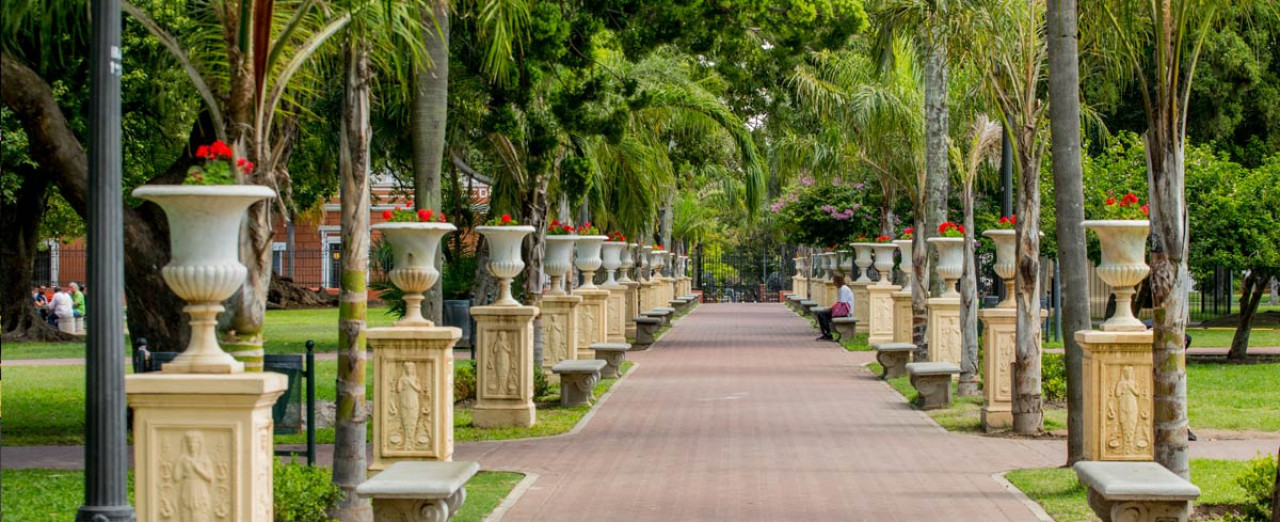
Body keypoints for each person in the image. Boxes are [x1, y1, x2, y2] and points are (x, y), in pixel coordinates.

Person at [816, 274, 853, 341]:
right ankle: (826, 333)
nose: (833, 282)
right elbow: (839, 303)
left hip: (846, 313)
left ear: (837, 281)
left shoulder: (843, 289)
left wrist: (829, 308)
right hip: (842, 311)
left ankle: (827, 334)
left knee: (822, 314)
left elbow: (841, 304)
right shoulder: (841, 288)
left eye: (834, 281)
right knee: (822, 314)